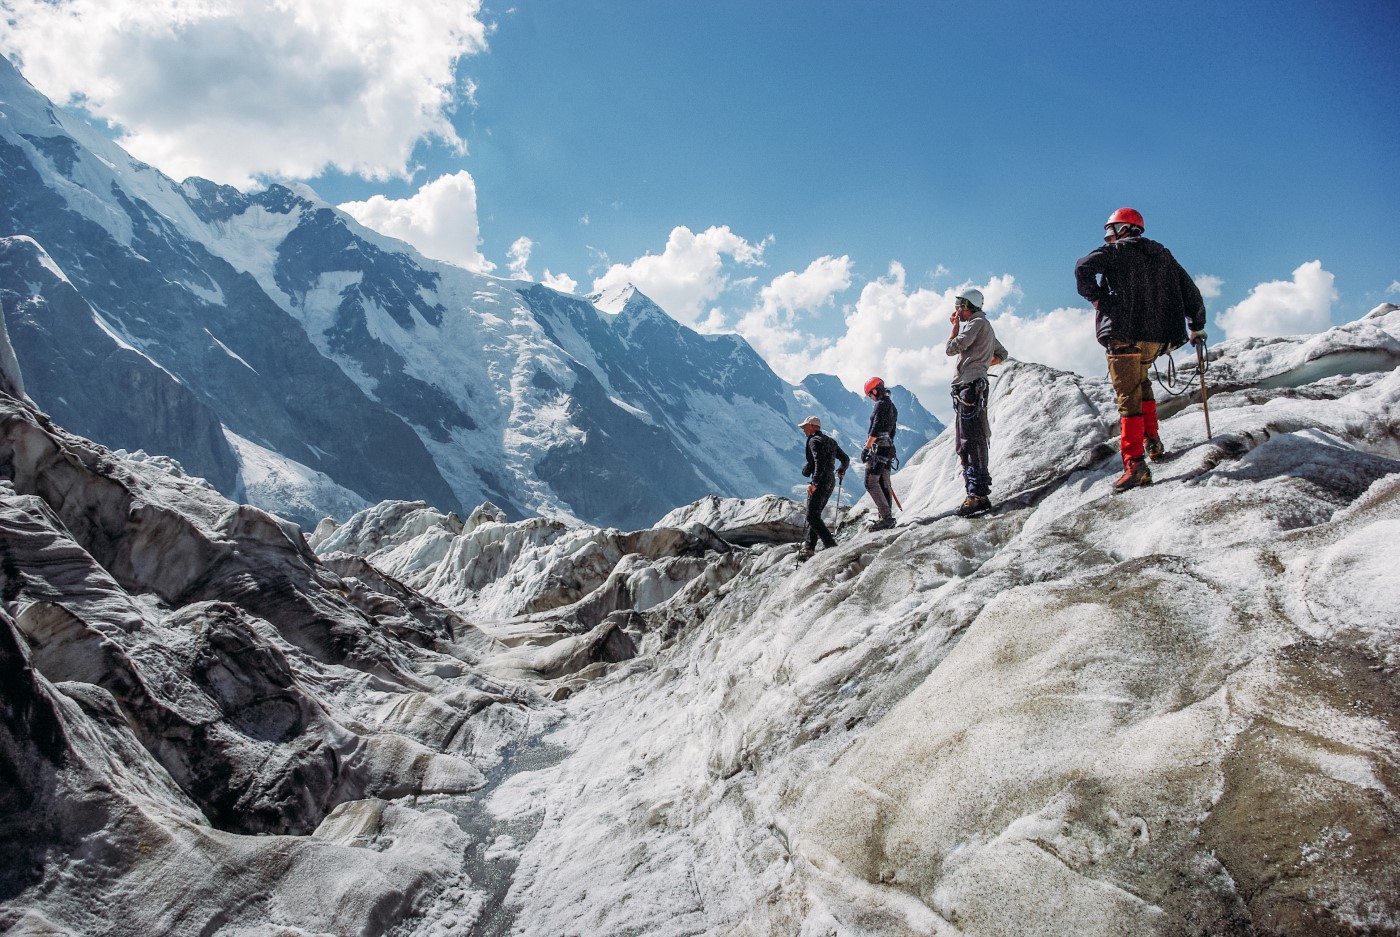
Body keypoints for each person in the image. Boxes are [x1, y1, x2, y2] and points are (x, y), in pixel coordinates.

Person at [1075, 208, 1208, 492]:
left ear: (1123, 228)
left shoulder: (1116, 252)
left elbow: (1082, 267)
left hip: (1124, 337)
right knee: (1142, 382)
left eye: (1110, 230)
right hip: (1156, 340)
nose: (1108, 236)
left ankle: (1134, 465)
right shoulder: (1163, 256)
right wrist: (1197, 325)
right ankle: (1153, 442)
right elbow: (1191, 292)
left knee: (1128, 398)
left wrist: (1099, 301)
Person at [945, 288, 1008, 516]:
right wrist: (981, 364)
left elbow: (952, 349)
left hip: (968, 388)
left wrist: (954, 330)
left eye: (959, 306)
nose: (957, 311)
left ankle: (977, 495)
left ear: (967, 305)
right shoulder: (985, 326)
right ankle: (977, 491)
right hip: (974, 386)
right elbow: (1002, 353)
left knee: (968, 441)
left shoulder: (975, 324)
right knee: (974, 438)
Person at [797, 415, 850, 561]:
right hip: (830, 481)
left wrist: (814, 483)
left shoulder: (814, 441)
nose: (803, 429)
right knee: (816, 514)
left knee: (812, 516)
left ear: (813, 427)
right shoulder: (830, 441)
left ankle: (830, 545)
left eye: (805, 427)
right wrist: (841, 470)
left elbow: (818, 462)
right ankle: (809, 547)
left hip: (820, 481)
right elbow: (845, 458)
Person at [861, 377, 899, 530]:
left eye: (870, 395)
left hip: (878, 449)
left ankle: (886, 517)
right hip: (888, 448)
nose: (870, 398)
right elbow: (892, 430)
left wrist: (866, 448)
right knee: (884, 482)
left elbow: (875, 429)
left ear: (875, 390)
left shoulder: (880, 405)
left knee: (870, 482)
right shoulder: (891, 406)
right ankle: (885, 516)